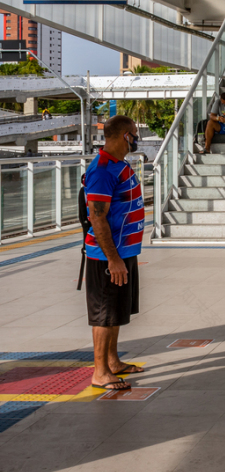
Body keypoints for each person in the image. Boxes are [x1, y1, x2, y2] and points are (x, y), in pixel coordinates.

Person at [83, 114, 146, 391]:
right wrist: (113, 259)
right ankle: (100, 373)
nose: (136, 138)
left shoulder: (118, 165)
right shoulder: (103, 170)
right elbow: (97, 218)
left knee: (116, 312)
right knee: (104, 313)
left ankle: (113, 362)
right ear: (124, 136)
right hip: (108, 257)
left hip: (123, 252)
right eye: (134, 133)